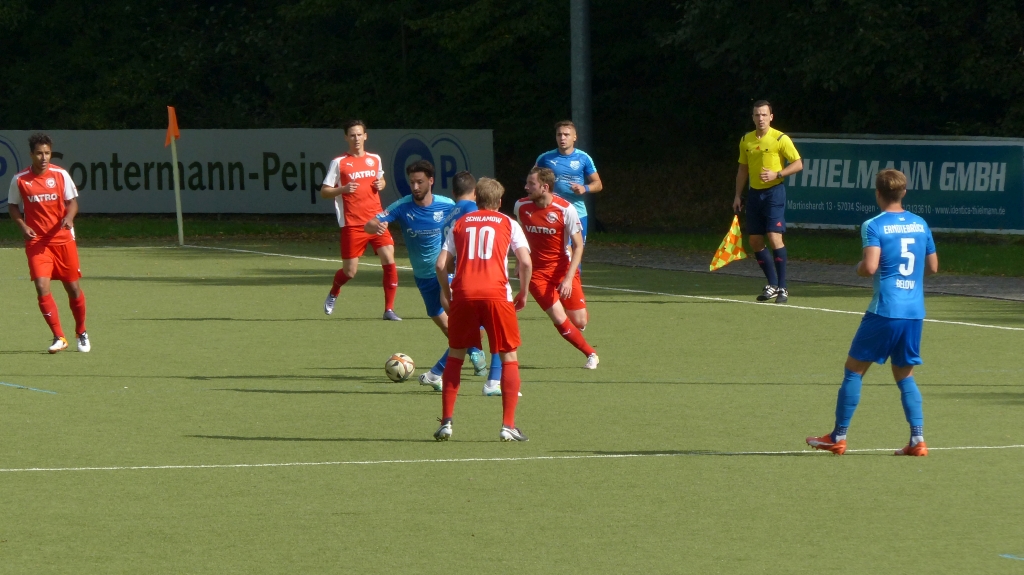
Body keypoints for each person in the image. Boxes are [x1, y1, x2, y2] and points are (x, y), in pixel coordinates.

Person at [806, 169, 938, 457]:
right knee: (905, 375)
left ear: (878, 194)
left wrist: (858, 268)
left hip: (885, 310)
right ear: (903, 193)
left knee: (854, 370)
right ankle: (918, 439)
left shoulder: (874, 225)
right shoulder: (920, 223)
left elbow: (869, 267)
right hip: (914, 312)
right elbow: (933, 267)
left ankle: (838, 436)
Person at [363, 161, 488, 391]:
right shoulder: (402, 206)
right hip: (423, 277)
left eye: (420, 182)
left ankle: (455, 364)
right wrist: (376, 227)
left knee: (463, 321)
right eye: (412, 182)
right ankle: (471, 349)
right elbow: (370, 224)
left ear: (431, 181)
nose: (415, 187)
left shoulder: (448, 205)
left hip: (447, 272)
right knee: (446, 327)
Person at [433, 177, 532, 442]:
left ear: (475, 198)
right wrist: (523, 292)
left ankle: (446, 422)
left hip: (464, 295)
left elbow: (441, 265)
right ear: (499, 201)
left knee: (456, 356)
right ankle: (508, 425)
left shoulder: (461, 223)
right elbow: (525, 262)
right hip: (497, 295)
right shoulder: (509, 223)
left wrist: (447, 293)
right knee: (509, 356)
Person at [7, 133, 90, 353]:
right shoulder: (20, 179)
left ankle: (81, 331)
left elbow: (72, 203)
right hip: (37, 242)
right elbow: (13, 206)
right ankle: (59, 336)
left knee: (73, 288)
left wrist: (69, 218)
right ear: (31, 154)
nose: (43, 157)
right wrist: (23, 226)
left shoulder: (60, 175)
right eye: (39, 153)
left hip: (63, 240)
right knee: (41, 286)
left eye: (47, 153)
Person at [514, 167, 599, 369]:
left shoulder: (566, 209)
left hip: (563, 270)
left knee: (579, 321)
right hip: (536, 274)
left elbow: (578, 246)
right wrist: (519, 261)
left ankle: (575, 318)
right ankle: (591, 354)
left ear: (545, 187)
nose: (526, 187)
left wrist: (568, 279)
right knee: (559, 318)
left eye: (531, 184)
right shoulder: (521, 206)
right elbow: (519, 237)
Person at [320, 119, 400, 321]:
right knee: (349, 272)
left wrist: (382, 183)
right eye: (352, 135)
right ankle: (334, 291)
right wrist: (343, 189)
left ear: (365, 136)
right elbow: (325, 191)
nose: (356, 138)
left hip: (377, 219)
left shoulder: (374, 159)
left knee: (389, 258)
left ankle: (389, 310)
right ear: (346, 137)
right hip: (353, 224)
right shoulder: (339, 163)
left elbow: (381, 179)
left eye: (359, 134)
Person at [732, 100, 803, 304]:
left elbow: (798, 164)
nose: (760, 118)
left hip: (774, 193)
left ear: (771, 117)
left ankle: (783, 287)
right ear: (752, 117)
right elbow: (743, 169)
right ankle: (772, 284)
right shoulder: (746, 140)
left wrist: (777, 174)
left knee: (774, 236)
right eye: (757, 115)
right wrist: (737, 195)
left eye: (764, 115)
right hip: (754, 195)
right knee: (755, 240)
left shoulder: (780, 138)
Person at [535, 120, 603, 243]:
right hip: (552, 212)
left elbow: (598, 184)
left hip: (578, 213)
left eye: (566, 135)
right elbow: (532, 182)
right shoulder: (545, 158)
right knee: (557, 251)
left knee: (577, 250)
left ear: (574, 137)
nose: (562, 138)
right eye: (559, 134)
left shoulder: (584, 158)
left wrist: (584, 188)